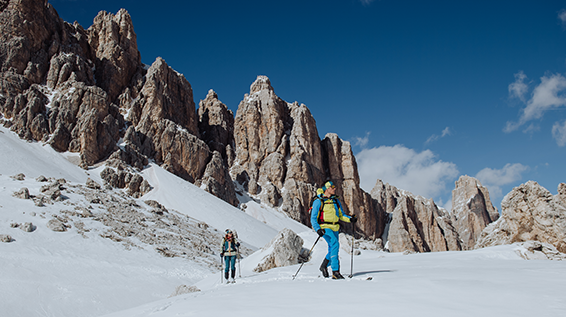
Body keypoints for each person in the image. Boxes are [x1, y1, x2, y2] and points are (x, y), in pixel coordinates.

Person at [310, 180, 357, 279]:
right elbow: (313, 218)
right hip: (324, 228)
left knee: (333, 248)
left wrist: (350, 219)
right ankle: (335, 272)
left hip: (335, 227)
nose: (335, 188)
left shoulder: (335, 201)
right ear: (327, 189)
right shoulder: (319, 201)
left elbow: (341, 215)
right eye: (332, 187)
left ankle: (324, 266)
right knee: (335, 244)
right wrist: (318, 229)